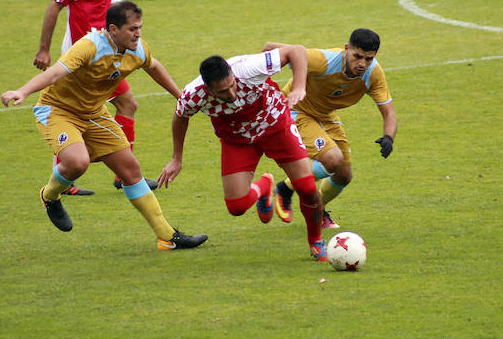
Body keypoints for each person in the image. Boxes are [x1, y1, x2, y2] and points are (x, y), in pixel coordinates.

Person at [2, 1, 207, 251]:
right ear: (113, 29)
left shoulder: (137, 49)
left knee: (131, 170)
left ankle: (167, 237)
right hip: (57, 111)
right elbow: (54, 73)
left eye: (140, 27)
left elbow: (154, 67)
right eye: (132, 29)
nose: (138, 33)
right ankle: (50, 195)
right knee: (78, 162)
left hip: (94, 114)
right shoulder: (89, 46)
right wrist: (22, 91)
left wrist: (181, 97)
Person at [157, 47, 329, 261]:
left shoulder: (249, 68)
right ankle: (263, 187)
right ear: (208, 90)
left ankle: (316, 242)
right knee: (236, 206)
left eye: (232, 85)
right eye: (222, 92)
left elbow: (296, 51)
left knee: (307, 187)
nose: (231, 94)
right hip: (237, 140)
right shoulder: (193, 95)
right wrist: (177, 158)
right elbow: (180, 117)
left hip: (275, 124)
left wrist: (299, 87)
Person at [33, 0, 153, 195]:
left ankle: (69, 180)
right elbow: (55, 6)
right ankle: (124, 176)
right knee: (126, 105)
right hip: (85, 57)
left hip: (106, 52)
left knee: (78, 109)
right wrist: (43, 48)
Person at [266, 29, 397, 229]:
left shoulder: (373, 73)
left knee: (343, 175)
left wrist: (389, 137)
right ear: (347, 50)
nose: (362, 63)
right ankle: (285, 188)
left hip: (326, 115)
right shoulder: (324, 61)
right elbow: (270, 49)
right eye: (357, 56)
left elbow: (389, 113)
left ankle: (317, 208)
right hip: (296, 110)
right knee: (333, 159)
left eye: (368, 59)